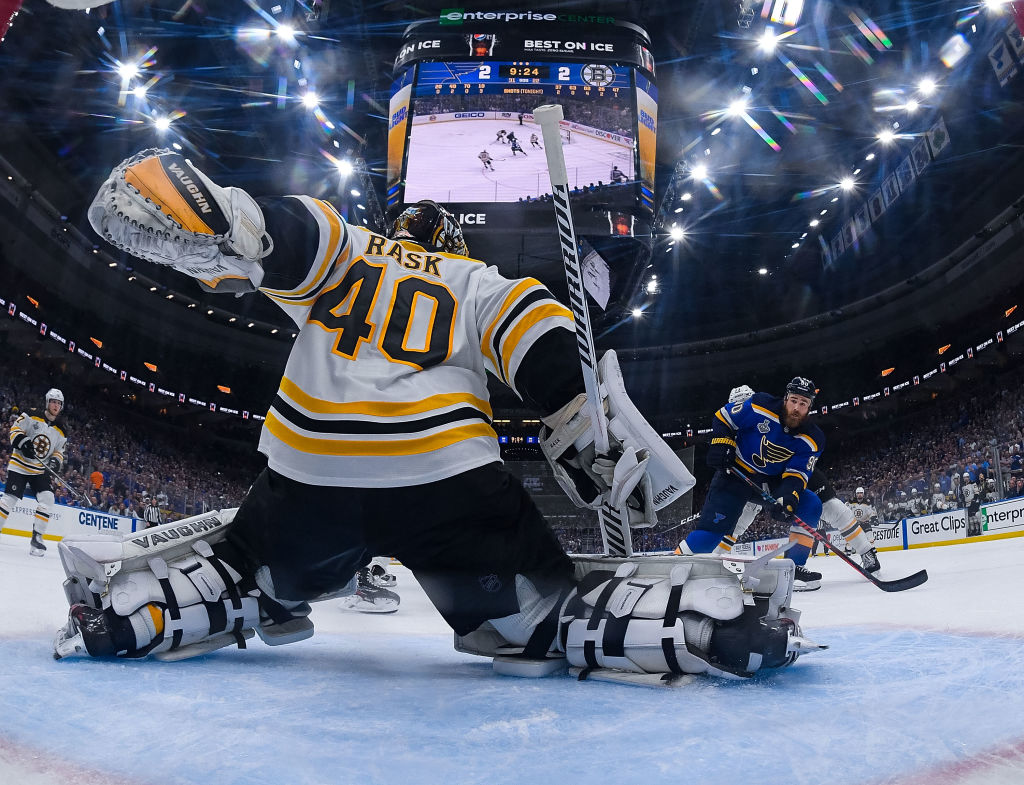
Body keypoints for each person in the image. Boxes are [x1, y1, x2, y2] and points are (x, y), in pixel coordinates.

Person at [53, 148, 818, 681]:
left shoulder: (351, 249)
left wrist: (226, 220)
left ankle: (136, 616)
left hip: (311, 475)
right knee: (544, 616)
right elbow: (542, 339)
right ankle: (710, 626)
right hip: (444, 479)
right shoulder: (476, 278)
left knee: (253, 572)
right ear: (450, 241)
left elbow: (277, 237)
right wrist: (583, 421)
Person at [696, 386, 880, 577]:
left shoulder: (766, 413)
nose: (740, 408)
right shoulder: (737, 422)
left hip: (789, 473)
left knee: (832, 508)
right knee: (736, 521)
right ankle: (711, 563)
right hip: (751, 477)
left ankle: (864, 551)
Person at [676, 377, 827, 590]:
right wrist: (722, 443)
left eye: (803, 403)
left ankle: (793, 570)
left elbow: (797, 473)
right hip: (734, 475)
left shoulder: (813, 438)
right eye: (794, 400)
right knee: (711, 534)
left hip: (769, 482)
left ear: (809, 407)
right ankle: (672, 566)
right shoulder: (759, 404)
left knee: (811, 505)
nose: (796, 408)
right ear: (785, 398)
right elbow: (723, 417)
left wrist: (788, 496)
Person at [0, 388, 68, 556]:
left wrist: (55, 461)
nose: (55, 405)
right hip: (20, 465)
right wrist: (23, 442)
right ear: (47, 402)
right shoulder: (31, 414)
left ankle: (37, 538)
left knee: (48, 498)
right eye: (53, 402)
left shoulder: (62, 429)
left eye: (59, 403)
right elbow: (15, 430)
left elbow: (59, 451)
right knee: (9, 499)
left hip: (38, 469)